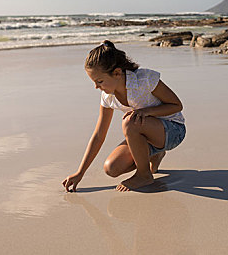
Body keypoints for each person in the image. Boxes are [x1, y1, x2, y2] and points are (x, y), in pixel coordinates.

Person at [62, 40, 186, 192]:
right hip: (147, 135)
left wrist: (146, 112)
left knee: (129, 122)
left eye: (99, 81)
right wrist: (80, 173)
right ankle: (156, 155)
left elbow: (176, 105)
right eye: (94, 82)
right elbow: (99, 135)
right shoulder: (107, 97)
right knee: (111, 168)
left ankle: (144, 174)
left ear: (117, 73)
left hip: (173, 131)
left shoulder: (144, 79)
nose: (96, 87)